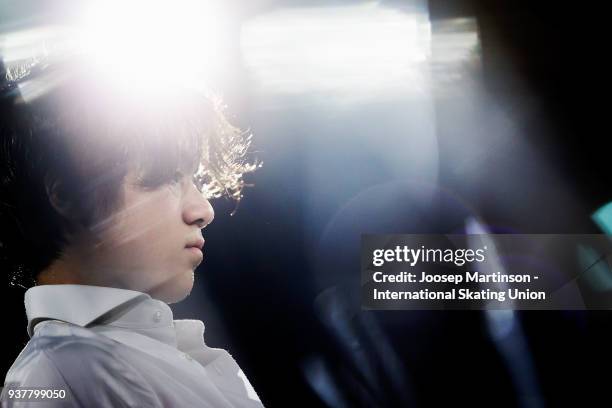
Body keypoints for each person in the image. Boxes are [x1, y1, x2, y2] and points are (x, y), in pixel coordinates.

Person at [0, 61, 264, 407]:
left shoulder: (129, 356)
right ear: (66, 195)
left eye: (193, 180)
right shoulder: (65, 372)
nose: (204, 211)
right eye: (168, 178)